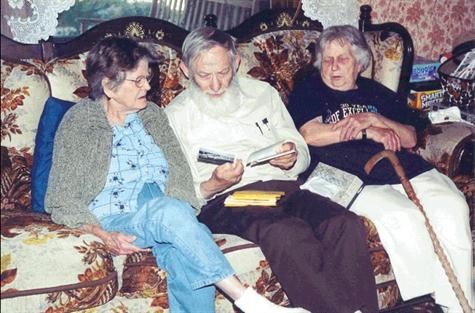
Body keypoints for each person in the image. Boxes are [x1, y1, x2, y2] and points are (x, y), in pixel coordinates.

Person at [45, 36, 311, 313]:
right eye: (137, 81)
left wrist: (184, 207)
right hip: (118, 217)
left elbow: (180, 177)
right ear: (109, 87)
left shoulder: (154, 116)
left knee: (187, 252)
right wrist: (99, 231)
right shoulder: (80, 122)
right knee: (171, 214)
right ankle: (250, 302)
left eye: (147, 78)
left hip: (166, 214)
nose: (148, 86)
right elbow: (60, 197)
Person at [165, 27, 379, 313]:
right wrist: (213, 184)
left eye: (224, 72)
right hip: (227, 200)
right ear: (185, 69)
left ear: (237, 63)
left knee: (344, 223)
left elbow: (301, 151)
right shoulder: (174, 116)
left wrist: (292, 158)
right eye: (204, 75)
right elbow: (178, 192)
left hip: (284, 188)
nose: (216, 84)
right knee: (286, 232)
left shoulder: (263, 93)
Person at [288, 25, 474, 313]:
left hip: (402, 168)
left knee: (452, 207)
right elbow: (311, 135)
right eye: (327, 59)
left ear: (360, 64)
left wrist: (374, 118)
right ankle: (423, 306)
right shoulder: (309, 90)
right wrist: (368, 133)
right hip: (348, 177)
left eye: (343, 59)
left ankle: (460, 307)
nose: (334, 66)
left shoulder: (380, 94)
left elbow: (410, 137)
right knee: (405, 219)